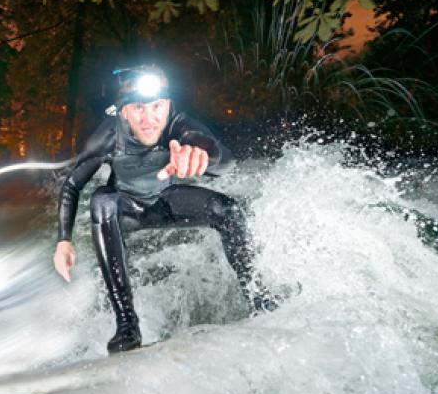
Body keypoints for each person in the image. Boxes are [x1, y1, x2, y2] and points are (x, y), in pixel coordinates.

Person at [52, 65, 276, 354]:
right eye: (138, 108)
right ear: (123, 112)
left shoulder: (178, 124)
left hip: (167, 202)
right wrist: (63, 241)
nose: (149, 119)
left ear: (168, 106)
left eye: (157, 106)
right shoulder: (107, 137)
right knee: (101, 199)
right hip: (127, 209)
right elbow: (72, 185)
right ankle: (126, 325)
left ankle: (260, 297)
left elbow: (224, 159)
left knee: (228, 209)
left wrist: (203, 155)